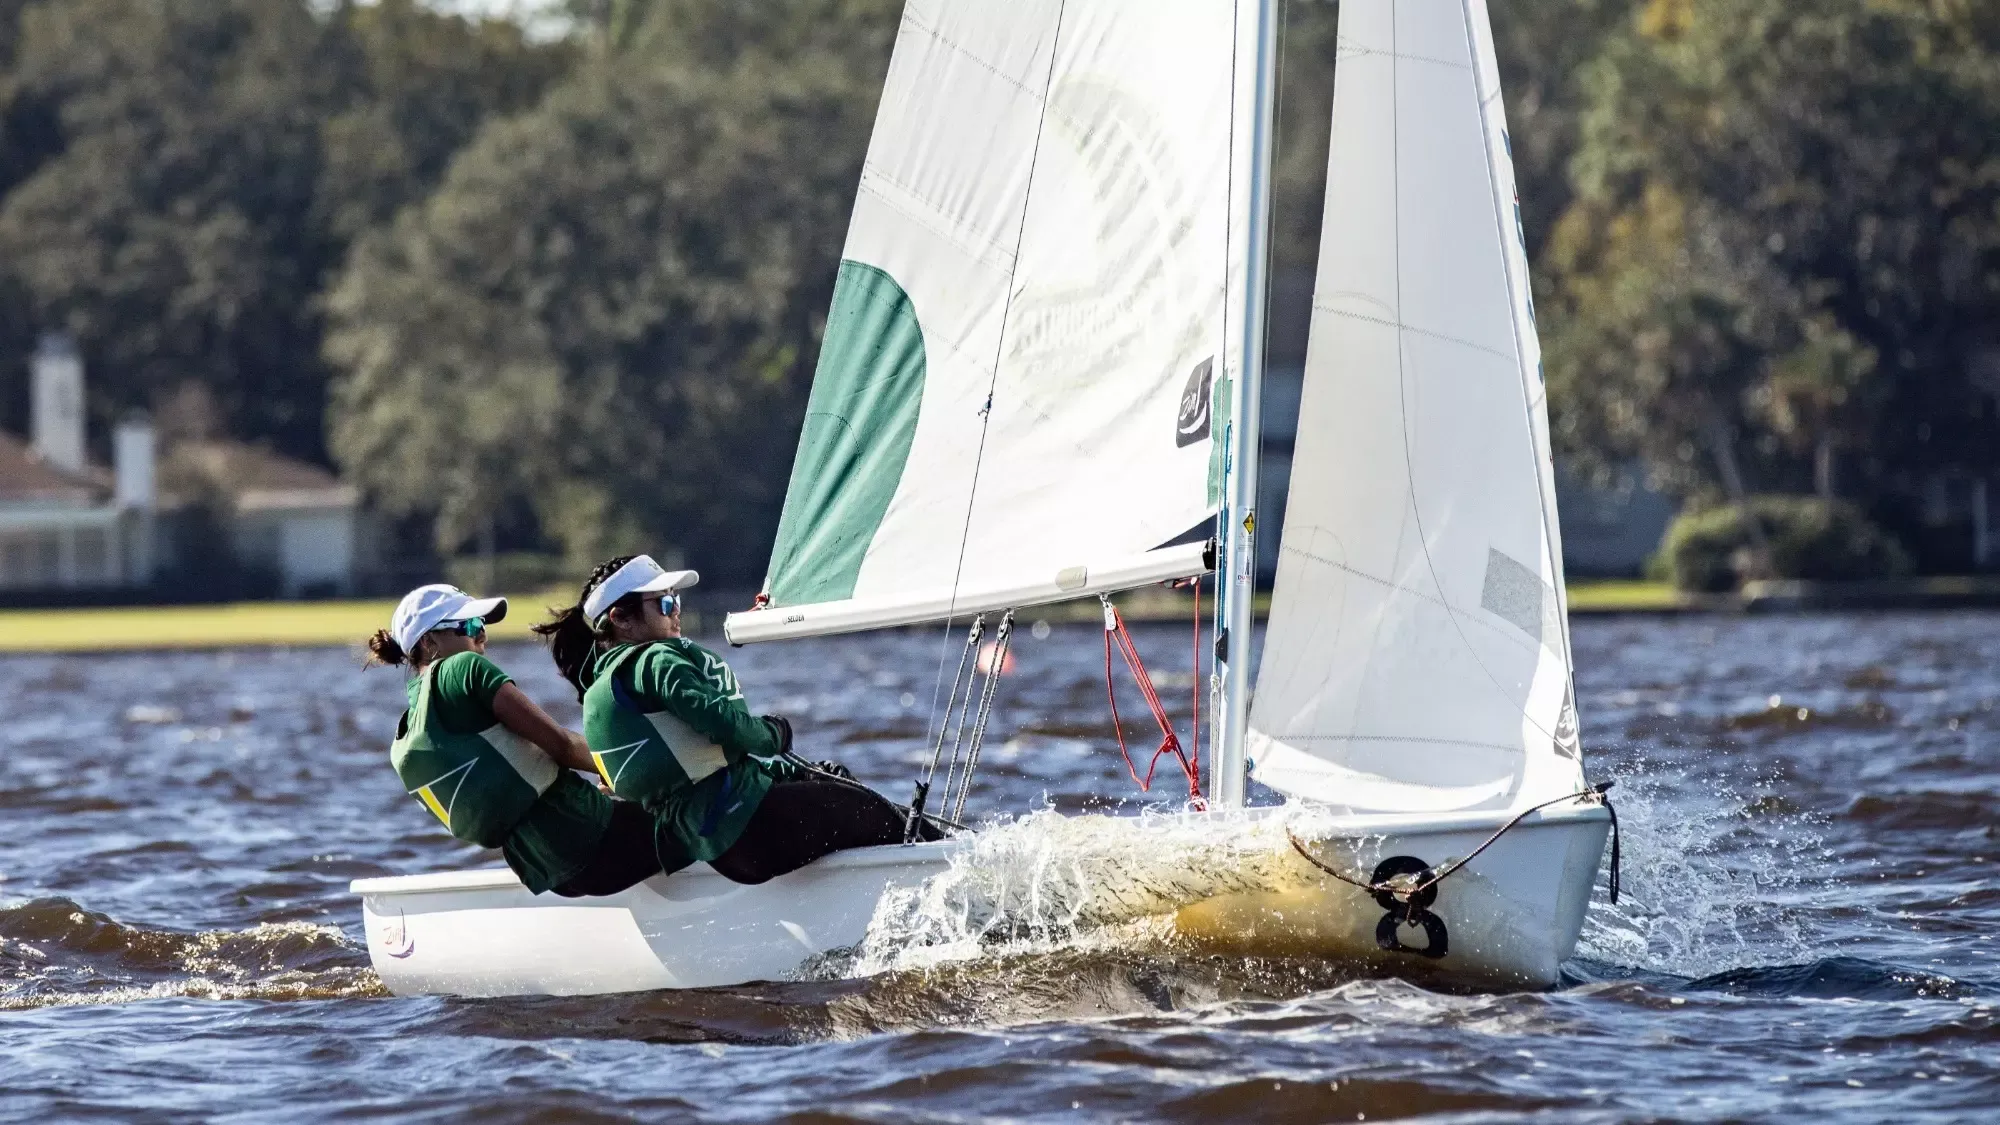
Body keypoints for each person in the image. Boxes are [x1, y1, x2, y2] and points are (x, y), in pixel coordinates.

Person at [536, 555, 941, 886]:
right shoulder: (656, 659)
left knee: (832, 780)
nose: (676, 612)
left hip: (720, 846)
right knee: (884, 816)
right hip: (749, 824)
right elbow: (720, 722)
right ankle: (960, 876)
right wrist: (773, 733)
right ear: (621, 619)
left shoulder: (600, 688)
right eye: (664, 603)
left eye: (676, 601)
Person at [366, 583, 687, 898]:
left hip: (548, 872)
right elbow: (562, 745)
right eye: (470, 625)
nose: (482, 634)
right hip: (591, 834)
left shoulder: (409, 729)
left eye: (482, 625)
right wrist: (638, 771)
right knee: (719, 806)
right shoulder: (462, 668)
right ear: (429, 641)